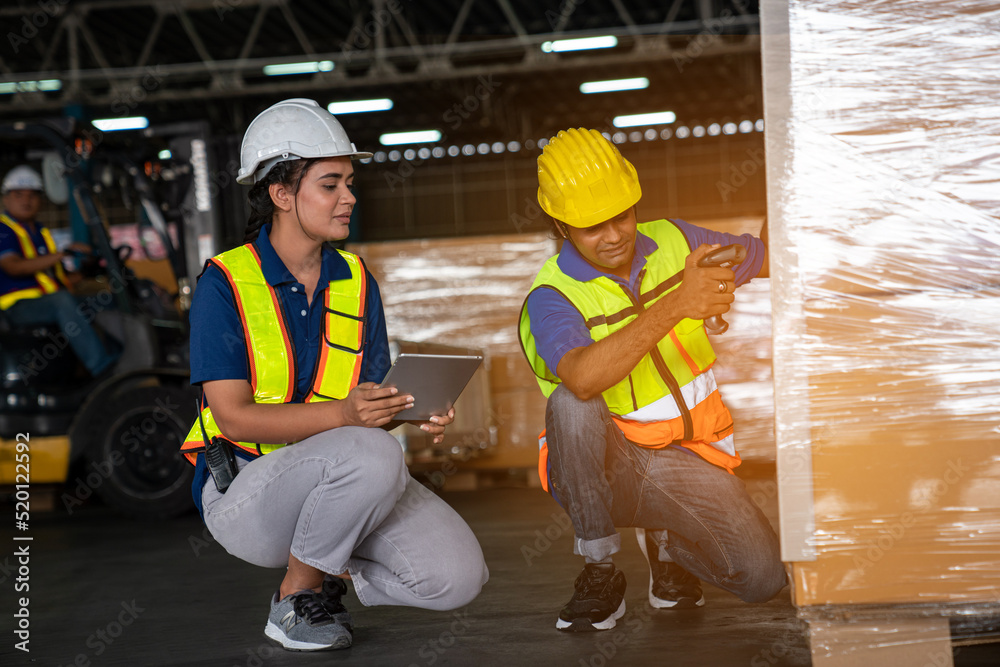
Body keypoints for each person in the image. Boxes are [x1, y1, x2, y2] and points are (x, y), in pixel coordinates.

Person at [179, 98, 488, 652]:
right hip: (246, 493)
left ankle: (326, 571)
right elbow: (230, 415)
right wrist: (349, 417)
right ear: (281, 194)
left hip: (340, 481)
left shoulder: (355, 280)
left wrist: (409, 411)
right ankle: (295, 598)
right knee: (372, 453)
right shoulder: (224, 284)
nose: (349, 197)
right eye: (330, 184)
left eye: (349, 182)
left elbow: (365, 405)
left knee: (456, 578)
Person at [518, 128, 785, 632]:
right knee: (574, 403)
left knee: (762, 579)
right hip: (607, 465)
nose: (614, 234)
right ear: (560, 226)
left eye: (621, 215)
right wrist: (680, 303)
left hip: (692, 457)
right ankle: (599, 569)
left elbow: (769, 257)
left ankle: (670, 544)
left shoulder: (678, 240)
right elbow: (579, 377)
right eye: (592, 226)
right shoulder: (552, 296)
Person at [0, 164, 119, 378]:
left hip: (47, 301)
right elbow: (13, 266)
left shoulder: (40, 232)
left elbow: (59, 281)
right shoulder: (3, 230)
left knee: (108, 299)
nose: (26, 201)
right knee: (62, 301)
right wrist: (61, 254)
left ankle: (122, 360)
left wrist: (87, 271)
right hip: (15, 308)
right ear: (6, 199)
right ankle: (102, 368)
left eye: (32, 196)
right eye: (18, 195)